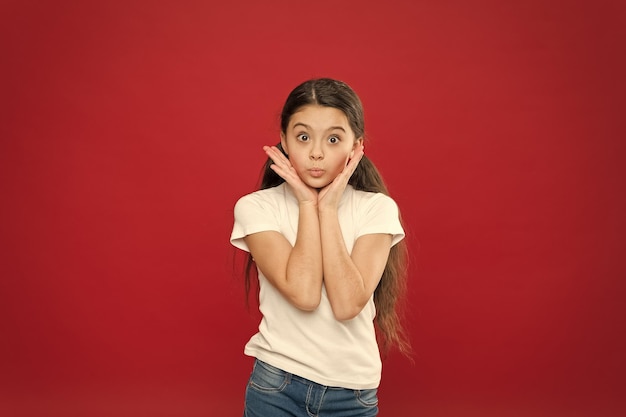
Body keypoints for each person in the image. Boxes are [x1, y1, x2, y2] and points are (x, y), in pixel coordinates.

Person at [230, 78, 410, 417]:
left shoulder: (377, 209)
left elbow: (346, 304)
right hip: (276, 387)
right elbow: (305, 293)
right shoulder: (256, 208)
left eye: (333, 139)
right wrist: (304, 203)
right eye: (302, 137)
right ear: (283, 140)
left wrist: (326, 209)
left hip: (352, 393)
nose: (316, 152)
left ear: (357, 146)